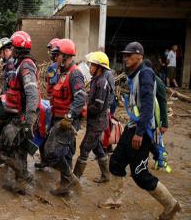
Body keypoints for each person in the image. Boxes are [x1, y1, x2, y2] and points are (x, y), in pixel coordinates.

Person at [99, 42, 181, 220]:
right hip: (133, 126)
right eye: (125, 55)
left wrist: (139, 133)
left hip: (142, 131)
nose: (125, 58)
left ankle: (171, 204)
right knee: (116, 162)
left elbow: (148, 106)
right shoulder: (135, 74)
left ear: (140, 56)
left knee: (139, 173)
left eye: (129, 55)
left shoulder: (145, 74)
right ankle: (115, 198)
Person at [0, 31, 40, 195]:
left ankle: (23, 176)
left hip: (22, 116)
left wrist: (28, 121)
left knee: (4, 149)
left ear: (17, 49)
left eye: (12, 47)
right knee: (19, 150)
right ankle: (20, 184)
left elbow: (32, 93)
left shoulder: (26, 65)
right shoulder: (19, 64)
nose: (11, 50)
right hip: (19, 114)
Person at [43, 38, 86, 196]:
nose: (55, 57)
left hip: (67, 120)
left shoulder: (75, 74)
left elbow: (81, 98)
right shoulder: (62, 72)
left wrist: (69, 116)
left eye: (58, 55)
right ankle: (67, 180)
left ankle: (67, 180)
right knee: (60, 152)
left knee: (54, 152)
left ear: (66, 56)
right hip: (58, 117)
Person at [73, 51, 113, 183]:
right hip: (95, 121)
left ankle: (74, 178)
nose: (90, 68)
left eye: (92, 66)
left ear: (99, 68)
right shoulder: (96, 80)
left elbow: (98, 106)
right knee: (97, 147)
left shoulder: (102, 83)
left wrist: (85, 110)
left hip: (98, 122)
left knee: (84, 147)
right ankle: (106, 175)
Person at [34, 38, 61, 169]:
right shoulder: (61, 67)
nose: (49, 52)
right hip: (53, 103)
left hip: (54, 104)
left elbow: (52, 84)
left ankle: (51, 161)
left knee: (45, 133)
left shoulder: (54, 67)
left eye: (51, 49)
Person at [0, 37, 15, 168]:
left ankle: (6, 157)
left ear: (6, 51)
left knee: (1, 128)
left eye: (0, 53)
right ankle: (3, 156)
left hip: (11, 104)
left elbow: (11, 85)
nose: (0, 56)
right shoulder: (9, 64)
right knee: (0, 128)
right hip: (8, 101)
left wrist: (4, 97)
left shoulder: (11, 64)